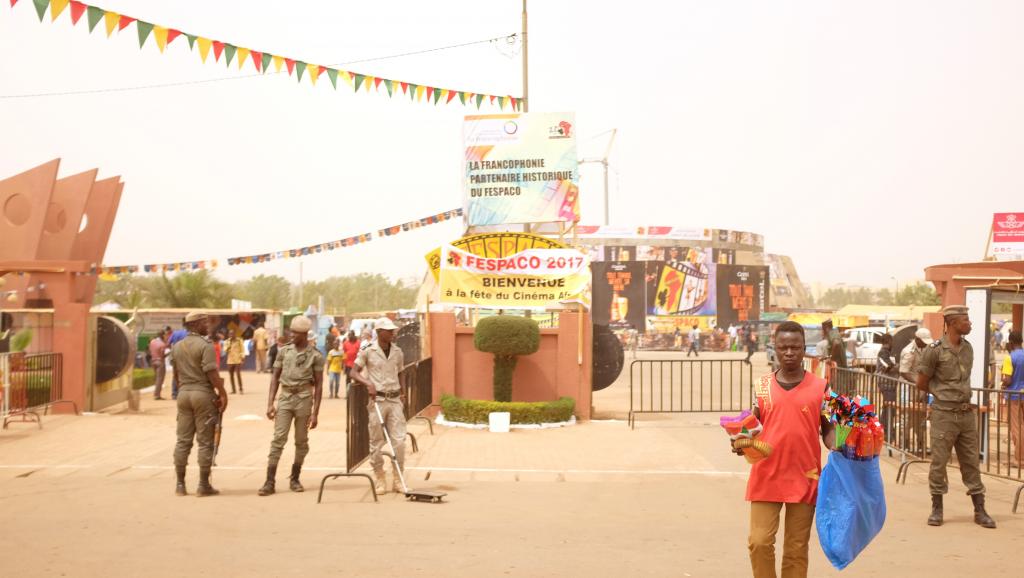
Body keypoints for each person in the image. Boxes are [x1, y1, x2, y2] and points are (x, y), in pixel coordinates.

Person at [739, 321, 834, 578]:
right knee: (759, 542)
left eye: (795, 347)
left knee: (795, 548)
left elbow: (828, 429)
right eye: (784, 347)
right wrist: (741, 439)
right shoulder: (762, 387)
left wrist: (842, 447)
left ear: (805, 349)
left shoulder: (821, 388)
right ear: (775, 349)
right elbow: (752, 425)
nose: (789, 352)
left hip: (805, 476)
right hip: (766, 475)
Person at [916, 305, 996, 529]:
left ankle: (980, 510)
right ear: (952, 323)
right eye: (965, 320)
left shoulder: (968, 348)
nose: (969, 324)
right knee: (939, 462)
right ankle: (937, 508)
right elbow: (922, 382)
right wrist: (943, 397)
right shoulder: (934, 350)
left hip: (966, 414)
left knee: (971, 461)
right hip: (944, 414)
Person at [258, 316, 323, 496]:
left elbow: (319, 385)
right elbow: (275, 378)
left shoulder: (316, 355)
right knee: (278, 439)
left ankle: (295, 478)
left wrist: (315, 413)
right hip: (285, 398)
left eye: (295, 333)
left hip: (304, 399)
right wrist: (270, 403)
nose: (291, 335)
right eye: (291, 332)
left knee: (301, 441)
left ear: (304, 334)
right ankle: (269, 481)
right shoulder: (283, 351)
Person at [170, 312, 228, 497]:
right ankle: (203, 485)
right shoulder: (206, 346)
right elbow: (211, 373)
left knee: (182, 441)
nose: (208, 325)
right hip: (202, 395)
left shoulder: (177, 346)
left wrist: (183, 389)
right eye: (204, 322)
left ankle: (180, 485)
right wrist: (223, 393)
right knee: (205, 442)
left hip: (184, 394)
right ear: (195, 325)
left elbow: (176, 375)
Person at [349, 317, 406, 494]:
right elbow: (353, 372)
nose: (392, 333)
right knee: (376, 442)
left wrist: (403, 393)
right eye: (389, 331)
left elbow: (401, 372)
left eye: (393, 331)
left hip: (395, 400)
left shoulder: (398, 351)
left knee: (399, 441)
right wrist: (368, 384)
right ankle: (379, 477)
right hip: (377, 401)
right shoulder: (368, 350)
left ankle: (398, 479)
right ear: (380, 332)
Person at [899, 327, 933, 454]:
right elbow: (903, 372)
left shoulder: (925, 349)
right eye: (923, 341)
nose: (925, 344)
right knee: (907, 416)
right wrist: (918, 383)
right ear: (917, 339)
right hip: (908, 388)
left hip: (920, 388)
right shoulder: (909, 351)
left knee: (921, 416)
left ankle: (920, 444)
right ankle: (905, 444)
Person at [1000, 331, 1024, 467]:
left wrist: (1003, 381)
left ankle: (1019, 460)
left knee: (1017, 428)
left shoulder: (1010, 358)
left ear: (1011, 342)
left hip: (1014, 396)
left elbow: (1008, 380)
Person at [167, 319, 189, 400]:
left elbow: (168, 344)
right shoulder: (189, 334)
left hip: (175, 356)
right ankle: (183, 393)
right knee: (186, 374)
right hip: (186, 356)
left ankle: (174, 393)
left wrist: (173, 350)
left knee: (175, 374)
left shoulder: (175, 333)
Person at [148, 330, 168, 400]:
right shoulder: (162, 344)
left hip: (153, 361)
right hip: (160, 362)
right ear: (162, 335)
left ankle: (156, 393)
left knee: (156, 378)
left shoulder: (152, 342)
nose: (166, 336)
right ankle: (157, 395)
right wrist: (168, 353)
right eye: (165, 335)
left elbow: (150, 351)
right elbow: (162, 355)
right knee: (160, 379)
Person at [225, 329, 245, 394]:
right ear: (228, 334)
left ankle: (241, 389)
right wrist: (229, 345)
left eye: (232, 333)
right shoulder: (227, 341)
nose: (231, 335)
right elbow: (225, 350)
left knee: (238, 374)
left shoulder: (239, 340)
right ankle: (233, 390)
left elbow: (242, 349)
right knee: (231, 376)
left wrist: (242, 357)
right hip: (230, 361)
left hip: (237, 360)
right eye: (230, 334)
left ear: (235, 334)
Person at [342, 330, 360, 396]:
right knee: (348, 379)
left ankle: (356, 394)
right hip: (348, 364)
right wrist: (343, 366)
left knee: (357, 379)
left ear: (354, 335)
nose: (349, 336)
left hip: (356, 364)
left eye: (351, 335)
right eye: (349, 335)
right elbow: (344, 354)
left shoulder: (358, 343)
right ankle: (348, 393)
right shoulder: (345, 343)